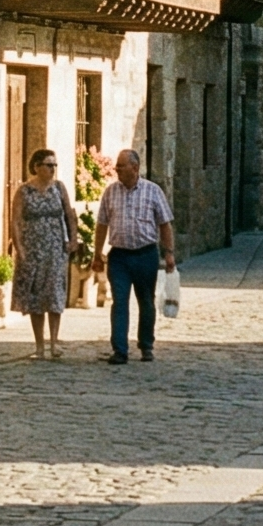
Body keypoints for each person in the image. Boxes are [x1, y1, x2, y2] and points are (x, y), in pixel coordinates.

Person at [92, 148, 175, 364]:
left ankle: (146, 345)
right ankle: (120, 349)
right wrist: (97, 254)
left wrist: (169, 254)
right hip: (119, 256)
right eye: (117, 165)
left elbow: (165, 224)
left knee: (146, 301)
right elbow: (101, 225)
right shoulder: (110, 192)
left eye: (121, 165)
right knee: (119, 301)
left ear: (135, 168)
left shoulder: (153, 191)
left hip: (145, 254)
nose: (116, 169)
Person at [9, 149, 74, 361]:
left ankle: (54, 342)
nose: (52, 169)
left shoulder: (59, 188)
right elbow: (16, 221)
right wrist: (20, 249)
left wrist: (72, 239)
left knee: (54, 294)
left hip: (55, 249)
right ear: (36, 166)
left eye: (55, 165)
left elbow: (69, 214)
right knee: (36, 297)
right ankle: (39, 345)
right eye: (48, 165)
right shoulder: (24, 191)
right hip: (33, 250)